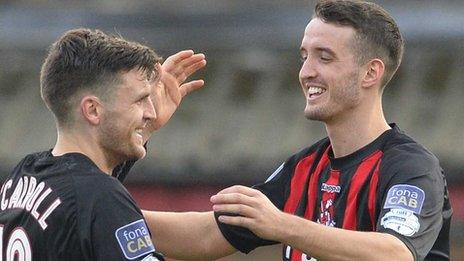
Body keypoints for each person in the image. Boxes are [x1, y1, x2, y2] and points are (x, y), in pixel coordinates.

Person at [142, 1, 452, 260]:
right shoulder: (304, 169)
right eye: (304, 56)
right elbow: (205, 236)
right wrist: (102, 209)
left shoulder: (411, 167)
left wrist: (282, 225)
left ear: (370, 72)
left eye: (324, 57)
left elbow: (395, 254)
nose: (306, 72)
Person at [0, 28, 206, 260]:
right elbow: (91, 199)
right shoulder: (101, 198)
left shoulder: (24, 175)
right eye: (140, 100)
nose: (151, 111)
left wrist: (142, 130)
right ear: (93, 110)